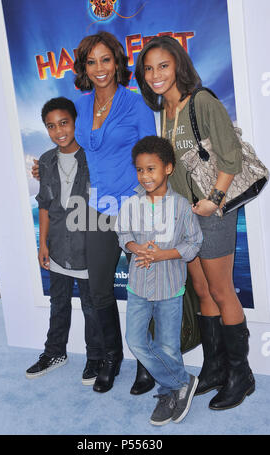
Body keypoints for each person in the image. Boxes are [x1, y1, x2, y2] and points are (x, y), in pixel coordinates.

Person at [135, 35, 255, 410]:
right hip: (186, 216)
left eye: (163, 66)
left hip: (213, 213)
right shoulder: (164, 113)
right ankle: (215, 366)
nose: (156, 74)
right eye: (149, 68)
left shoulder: (201, 101)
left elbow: (231, 157)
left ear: (179, 66)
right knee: (202, 291)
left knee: (222, 292)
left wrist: (215, 200)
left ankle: (241, 375)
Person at [32, 32, 157, 394]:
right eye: (92, 61)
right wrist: (45, 166)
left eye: (106, 60)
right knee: (99, 292)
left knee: (143, 292)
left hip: (134, 209)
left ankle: (146, 364)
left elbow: (153, 155)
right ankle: (111, 357)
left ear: (118, 62)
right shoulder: (80, 105)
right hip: (96, 212)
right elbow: (68, 145)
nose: (100, 68)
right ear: (84, 67)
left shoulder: (136, 105)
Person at [115, 135, 202, 425]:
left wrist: (164, 255)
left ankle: (169, 391)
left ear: (168, 168)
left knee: (167, 346)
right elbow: (123, 234)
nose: (145, 175)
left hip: (170, 287)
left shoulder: (181, 206)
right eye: (140, 169)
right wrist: (134, 247)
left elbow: (194, 243)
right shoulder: (130, 203)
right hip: (138, 285)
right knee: (136, 340)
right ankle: (182, 381)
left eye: (151, 169)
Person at [26, 97, 104, 385]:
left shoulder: (93, 157)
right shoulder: (45, 161)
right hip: (57, 245)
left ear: (75, 122)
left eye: (64, 123)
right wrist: (42, 244)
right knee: (58, 303)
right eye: (51, 126)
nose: (58, 131)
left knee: (91, 306)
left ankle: (95, 356)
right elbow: (44, 206)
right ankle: (55, 352)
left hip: (87, 245)